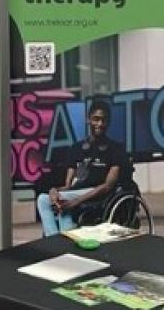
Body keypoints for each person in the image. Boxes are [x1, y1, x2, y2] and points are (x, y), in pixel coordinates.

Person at [37, 99, 126, 236]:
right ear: (88, 120)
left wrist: (75, 201)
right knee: (45, 199)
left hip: (98, 193)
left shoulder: (115, 149)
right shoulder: (76, 149)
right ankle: (58, 238)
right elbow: (68, 185)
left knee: (61, 200)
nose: (100, 124)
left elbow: (108, 186)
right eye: (96, 119)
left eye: (104, 120)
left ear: (108, 122)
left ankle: (58, 241)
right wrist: (54, 190)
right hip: (74, 192)